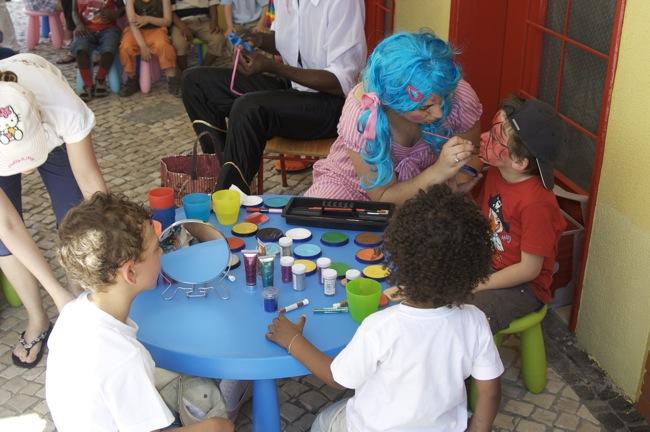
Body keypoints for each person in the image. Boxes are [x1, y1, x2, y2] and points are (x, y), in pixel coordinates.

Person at [266, 185, 503, 431]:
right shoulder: (475, 320)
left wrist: (292, 341)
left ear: (399, 257)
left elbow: (337, 378)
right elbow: (490, 392)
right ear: (472, 267)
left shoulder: (381, 326)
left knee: (324, 421)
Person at [46, 193, 234, 432]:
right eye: (156, 249)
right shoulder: (125, 358)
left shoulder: (73, 313)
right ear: (130, 273)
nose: (162, 253)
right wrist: (216, 427)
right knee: (220, 425)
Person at [182, 0, 366, 194]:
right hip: (294, 87)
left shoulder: (343, 3)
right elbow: (288, 41)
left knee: (248, 108)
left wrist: (274, 67)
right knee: (194, 82)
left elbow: (340, 81)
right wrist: (257, 39)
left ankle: (228, 198)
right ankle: (220, 176)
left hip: (332, 104)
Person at [0, 53, 108, 368]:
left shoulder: (62, 107)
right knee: (3, 241)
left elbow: (91, 185)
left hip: (54, 132)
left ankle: (80, 300)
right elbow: (7, 224)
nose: (25, 171)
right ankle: (38, 317)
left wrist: (112, 244)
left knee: (77, 217)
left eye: (29, 161)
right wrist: (55, 292)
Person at [304, 31, 483, 205]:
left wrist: (454, 182)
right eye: (425, 107)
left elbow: (474, 154)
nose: (439, 113)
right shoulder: (362, 117)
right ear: (391, 103)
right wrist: (437, 173)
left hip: (433, 189)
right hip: (353, 186)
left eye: (443, 98)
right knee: (316, 216)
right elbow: (383, 199)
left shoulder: (455, 93)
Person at [471, 96, 567, 333]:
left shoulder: (536, 204)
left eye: (495, 138)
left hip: (524, 288)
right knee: (441, 288)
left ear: (518, 161)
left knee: (469, 319)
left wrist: (477, 283)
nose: (483, 137)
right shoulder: (497, 172)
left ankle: (473, 358)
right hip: (489, 264)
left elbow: (529, 270)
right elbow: (481, 221)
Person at [119, 0, 180, 97]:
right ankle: (132, 80)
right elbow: (132, 23)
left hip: (156, 29)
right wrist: (143, 46)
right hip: (135, 32)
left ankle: (172, 80)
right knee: (125, 47)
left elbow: (167, 21)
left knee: (164, 46)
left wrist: (148, 19)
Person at [71, 0, 125, 100]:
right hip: (85, 29)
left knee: (109, 48)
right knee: (81, 49)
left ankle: (100, 79)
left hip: (108, 29)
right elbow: (74, 11)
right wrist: (78, 24)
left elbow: (123, 8)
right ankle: (88, 84)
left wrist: (115, 14)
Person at [171, 0, 225, 71]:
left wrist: (214, 22)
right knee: (180, 44)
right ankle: (185, 73)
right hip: (180, 22)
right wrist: (183, 27)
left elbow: (212, 4)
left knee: (218, 38)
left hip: (203, 20)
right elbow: (169, 11)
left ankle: (201, 70)